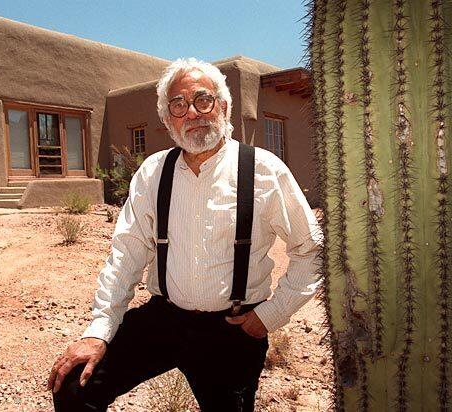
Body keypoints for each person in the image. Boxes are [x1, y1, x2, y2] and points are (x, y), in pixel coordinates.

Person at [48, 57, 323, 411]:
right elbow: (126, 254)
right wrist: (97, 332)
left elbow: (311, 248)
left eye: (202, 100)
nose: (192, 112)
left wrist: (270, 315)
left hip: (233, 328)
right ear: (167, 119)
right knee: (73, 388)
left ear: (223, 107)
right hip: (164, 319)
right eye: (178, 105)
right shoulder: (153, 173)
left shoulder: (264, 171)